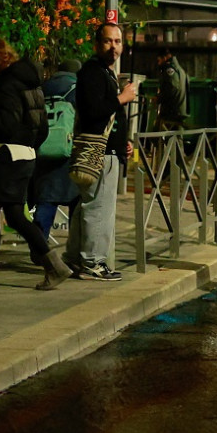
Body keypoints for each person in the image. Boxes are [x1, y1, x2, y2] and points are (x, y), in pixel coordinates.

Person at [0, 39, 73, 291]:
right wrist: (28, 146)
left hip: (6, 155)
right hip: (26, 155)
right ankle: (55, 266)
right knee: (16, 216)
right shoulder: (31, 85)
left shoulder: (7, 84)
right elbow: (41, 128)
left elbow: (6, 122)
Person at [65, 23, 137, 282]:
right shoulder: (92, 73)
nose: (114, 47)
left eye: (118, 41)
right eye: (109, 41)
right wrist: (123, 98)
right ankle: (94, 263)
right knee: (99, 209)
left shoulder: (104, 73)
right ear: (97, 44)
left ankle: (74, 257)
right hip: (100, 153)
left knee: (87, 206)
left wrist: (123, 142)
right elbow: (95, 111)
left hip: (107, 150)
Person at [31, 59, 81, 242]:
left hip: (44, 150)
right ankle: (75, 247)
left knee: (46, 199)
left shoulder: (44, 87)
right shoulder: (78, 88)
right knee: (77, 202)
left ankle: (39, 245)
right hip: (70, 152)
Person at [154, 48, 190, 131]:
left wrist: (159, 98)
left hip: (171, 112)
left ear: (164, 58)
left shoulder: (169, 69)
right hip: (181, 110)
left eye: (159, 60)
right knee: (176, 138)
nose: (159, 64)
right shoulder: (181, 70)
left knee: (156, 134)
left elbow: (172, 88)